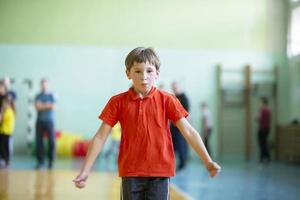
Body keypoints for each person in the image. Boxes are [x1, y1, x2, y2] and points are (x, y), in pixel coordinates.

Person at [73, 47, 221, 199]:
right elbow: (100, 137)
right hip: (130, 173)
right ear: (128, 74)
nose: (144, 77)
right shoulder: (117, 102)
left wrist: (207, 161)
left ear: (157, 73)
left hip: (160, 172)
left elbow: (189, 131)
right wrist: (85, 170)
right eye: (138, 71)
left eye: (149, 71)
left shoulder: (168, 100)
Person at [34, 79, 56, 169]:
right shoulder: (38, 96)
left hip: (49, 121)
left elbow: (53, 106)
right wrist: (47, 105)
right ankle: (40, 162)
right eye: (42, 85)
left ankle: (51, 161)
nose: (44, 86)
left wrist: (42, 105)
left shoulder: (52, 95)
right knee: (39, 142)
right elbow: (37, 107)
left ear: (48, 85)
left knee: (51, 141)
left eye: (45, 85)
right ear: (40, 86)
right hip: (39, 121)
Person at [170, 81, 190, 171]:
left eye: (175, 87)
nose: (174, 89)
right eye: (173, 87)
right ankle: (173, 163)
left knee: (181, 144)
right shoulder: (173, 97)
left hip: (180, 125)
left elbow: (186, 112)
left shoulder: (184, 98)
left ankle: (183, 163)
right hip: (173, 125)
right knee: (173, 145)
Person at [0, 81, 16, 168]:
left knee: (6, 147)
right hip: (3, 131)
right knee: (3, 147)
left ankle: (6, 161)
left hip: (7, 132)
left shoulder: (8, 111)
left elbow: (2, 120)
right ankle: (4, 160)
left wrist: (2, 113)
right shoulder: (7, 111)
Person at [257, 97, 271, 163]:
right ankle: (265, 157)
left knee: (262, 143)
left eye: (261, 103)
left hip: (262, 128)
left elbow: (258, 119)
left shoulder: (262, 110)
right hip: (267, 128)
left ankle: (264, 157)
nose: (260, 104)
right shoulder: (269, 110)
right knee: (264, 143)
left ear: (263, 103)